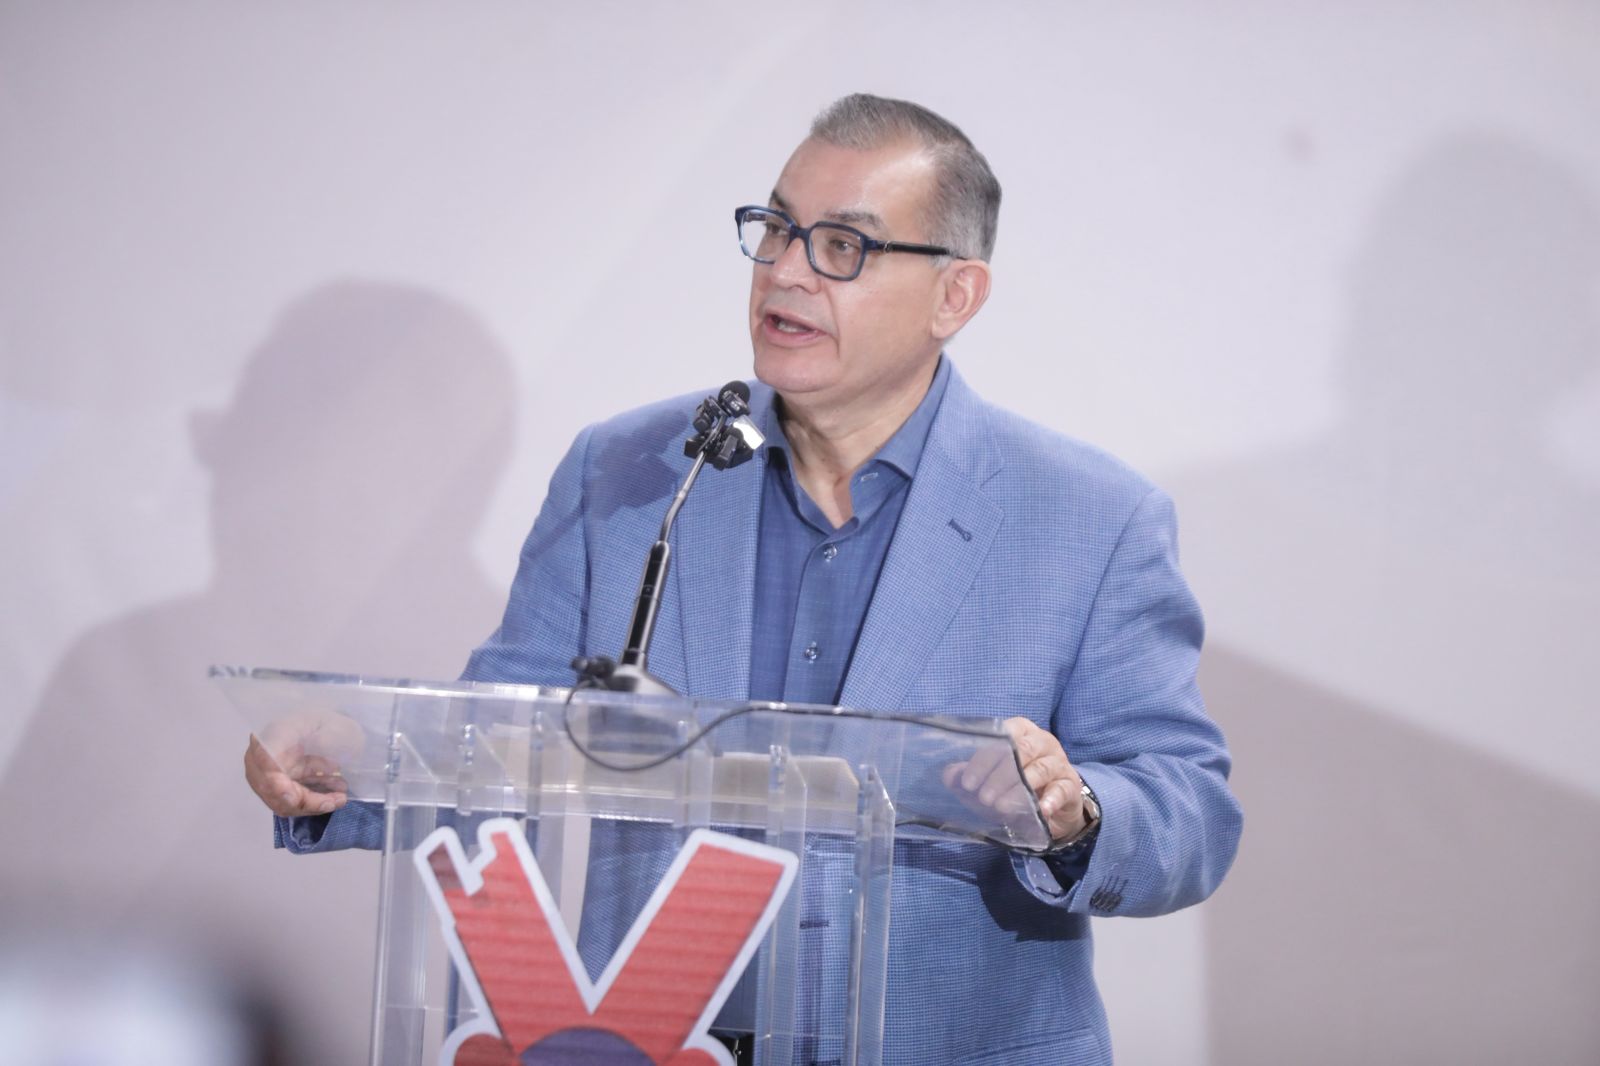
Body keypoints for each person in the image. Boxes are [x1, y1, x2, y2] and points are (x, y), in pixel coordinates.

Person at [246, 93, 1242, 1065]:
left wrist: (1076, 809)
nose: (787, 272)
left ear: (956, 296)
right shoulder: (632, 473)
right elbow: (500, 739)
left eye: (842, 246)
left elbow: (1188, 809)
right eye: (775, 229)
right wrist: (352, 767)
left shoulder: (1090, 517)